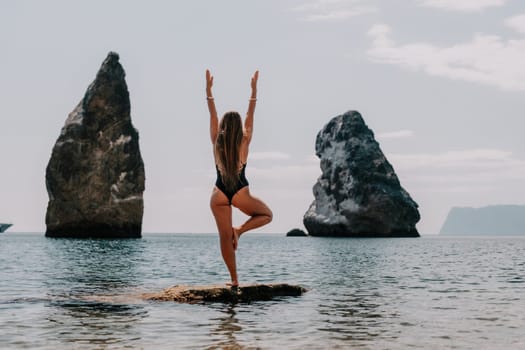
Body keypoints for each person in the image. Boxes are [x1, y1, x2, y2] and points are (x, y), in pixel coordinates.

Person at [206, 69, 273, 287]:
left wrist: (209, 92)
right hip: (239, 193)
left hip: (218, 194)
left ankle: (234, 280)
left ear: (224, 127)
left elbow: (213, 116)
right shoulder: (244, 143)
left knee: (224, 238)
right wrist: (254, 92)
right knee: (267, 215)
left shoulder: (216, 141)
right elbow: (249, 116)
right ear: (239, 129)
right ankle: (240, 230)